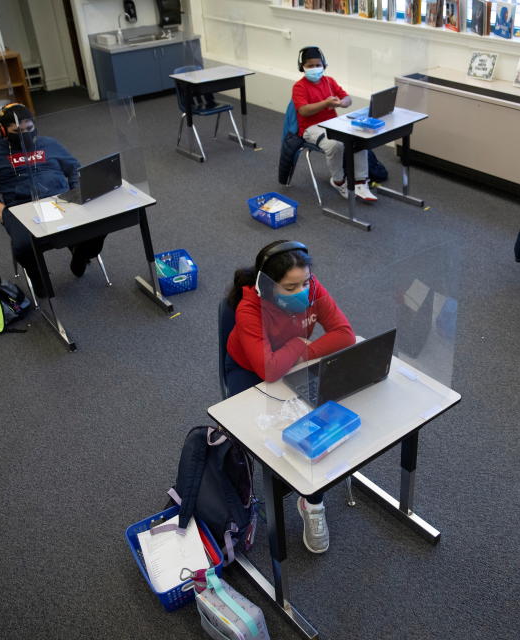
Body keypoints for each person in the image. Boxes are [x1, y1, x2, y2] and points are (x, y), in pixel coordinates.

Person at [225, 240, 355, 553]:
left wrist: (301, 351)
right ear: (268, 287)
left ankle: (312, 502)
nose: (304, 291)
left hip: (293, 365)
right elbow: (268, 369)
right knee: (274, 440)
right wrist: (299, 346)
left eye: (306, 282)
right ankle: (295, 493)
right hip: (250, 372)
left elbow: (345, 333)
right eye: (291, 286)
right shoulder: (249, 307)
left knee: (317, 429)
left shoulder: (313, 289)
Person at [0, 103, 106, 298]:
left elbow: (74, 168)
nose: (24, 134)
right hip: (21, 207)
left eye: (29, 129)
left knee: (100, 224)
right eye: (17, 131)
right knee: (24, 246)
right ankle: (38, 277)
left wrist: (76, 189)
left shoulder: (49, 144)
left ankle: (80, 256)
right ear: (3, 131)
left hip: (60, 199)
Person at [292, 46, 377, 203]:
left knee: (359, 137)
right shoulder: (299, 86)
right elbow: (303, 111)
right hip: (311, 128)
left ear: (324, 65)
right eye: (310, 66)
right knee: (335, 145)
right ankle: (338, 181)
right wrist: (325, 103)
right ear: (302, 67)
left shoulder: (329, 81)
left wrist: (342, 103)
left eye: (318, 65)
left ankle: (360, 182)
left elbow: (347, 98)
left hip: (333, 123)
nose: (315, 68)